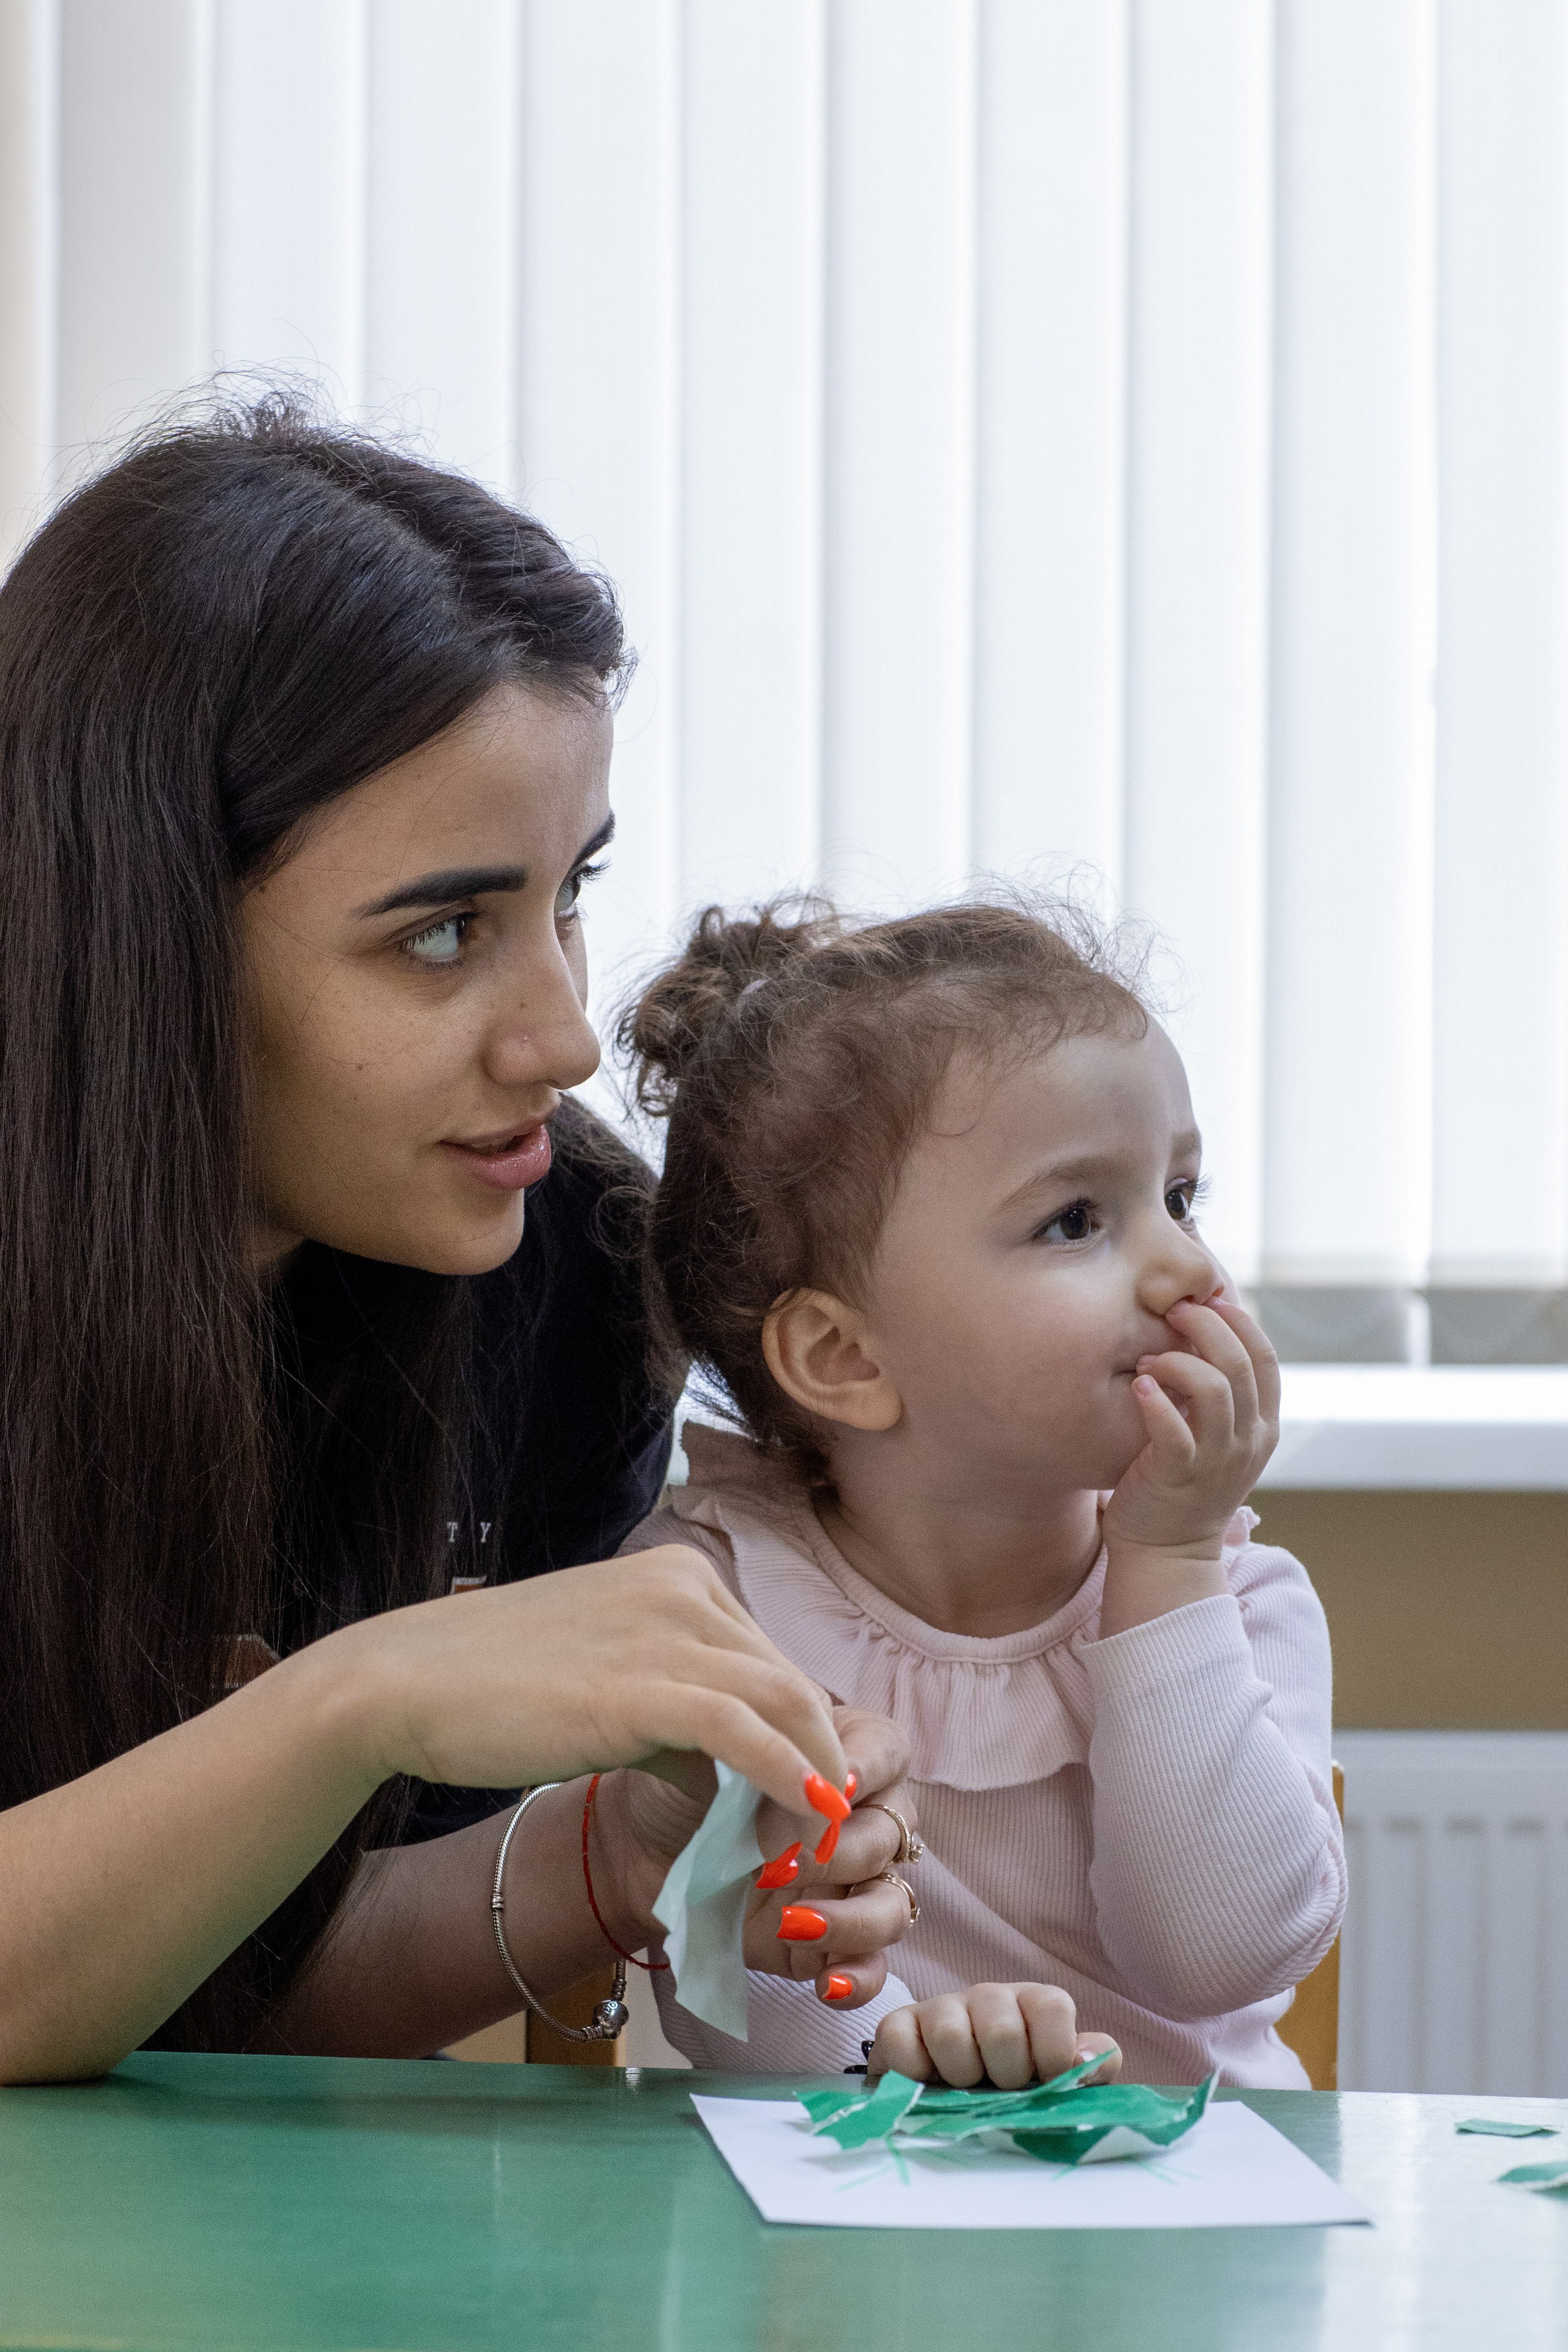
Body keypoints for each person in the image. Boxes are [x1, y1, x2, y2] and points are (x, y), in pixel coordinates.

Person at [0, 400, 919, 2085]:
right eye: (441, 935)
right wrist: (359, 1701)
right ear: (139, 933)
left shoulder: (567, 1268)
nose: (563, 1038)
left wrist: (615, 1856)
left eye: (569, 895)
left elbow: (216, 1999)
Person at [618, 898, 1347, 2088]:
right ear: (845, 1358)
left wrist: (1167, 1566)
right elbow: (718, 1980)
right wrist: (893, 2053)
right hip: (848, 2185)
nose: (1189, 1268)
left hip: (1192, 2196)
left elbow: (1219, 1959)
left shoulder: (1239, 1594)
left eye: (1180, 1197)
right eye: (1076, 1221)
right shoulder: (706, 1603)